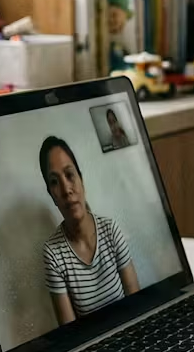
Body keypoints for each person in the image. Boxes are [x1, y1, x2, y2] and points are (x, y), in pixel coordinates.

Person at [39, 136, 140, 324]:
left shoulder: (110, 230)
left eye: (69, 175)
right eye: (54, 182)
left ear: (81, 180)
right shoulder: (53, 253)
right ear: (51, 195)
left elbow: (137, 307)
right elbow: (71, 334)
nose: (66, 189)